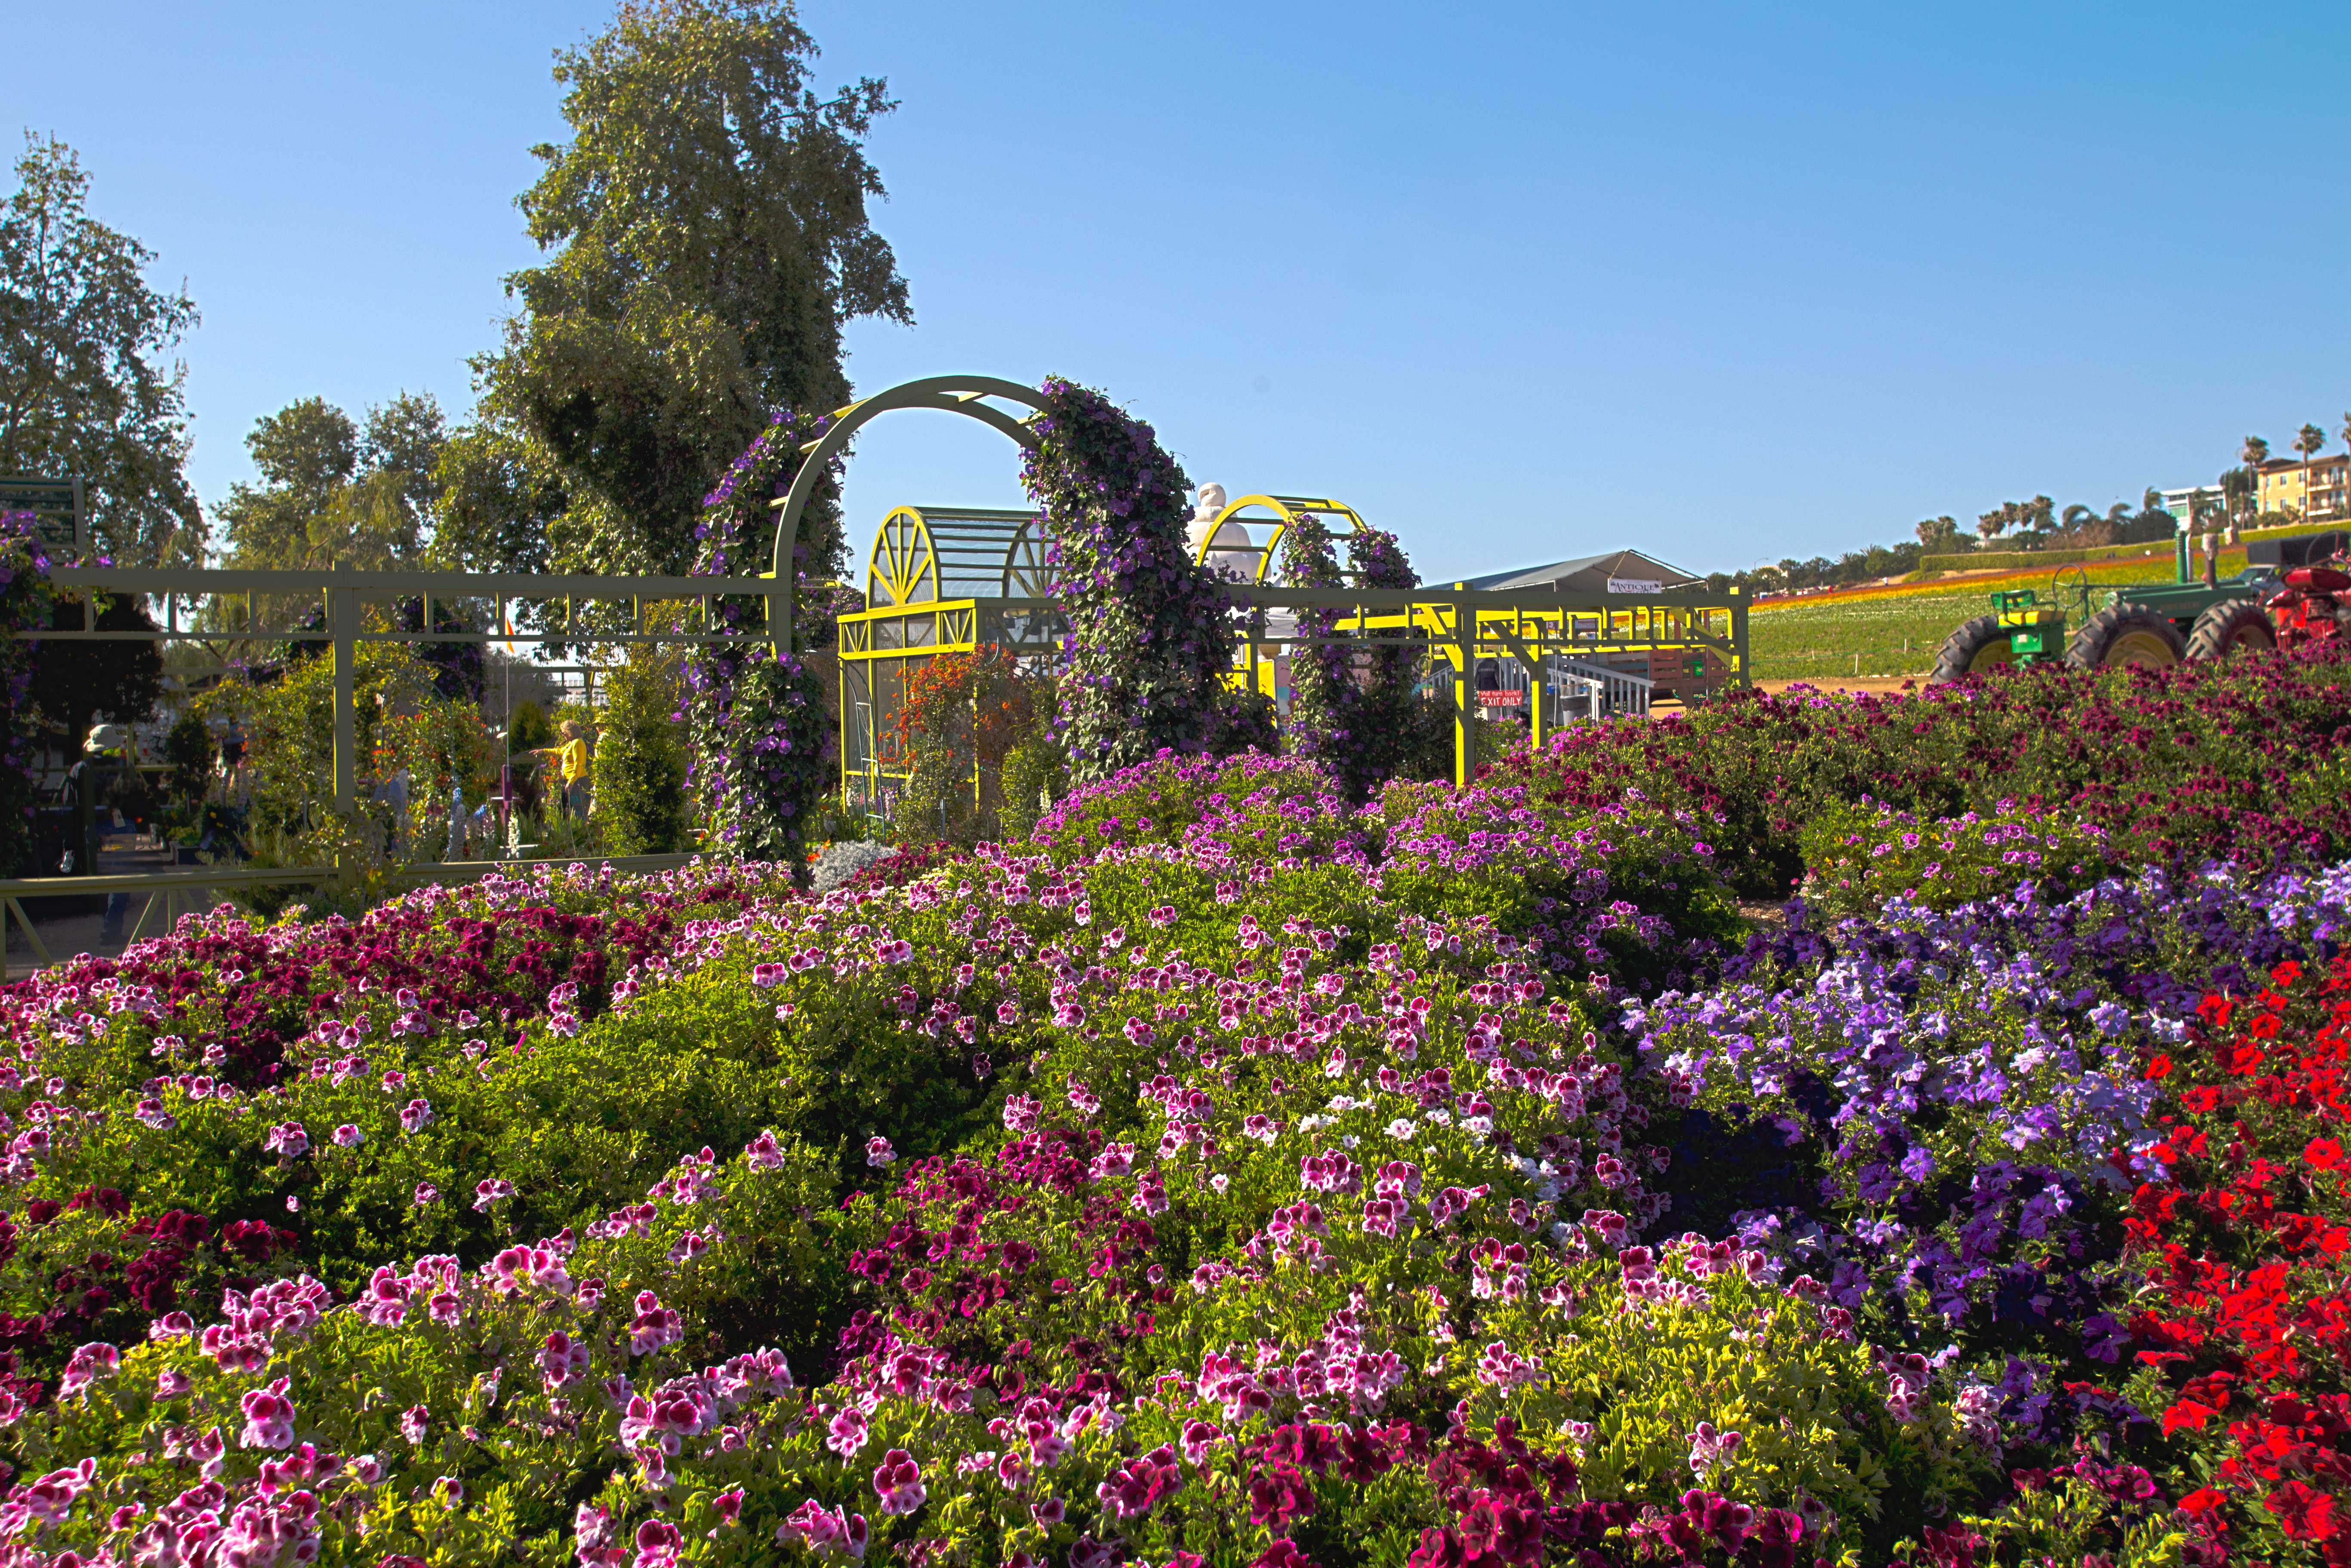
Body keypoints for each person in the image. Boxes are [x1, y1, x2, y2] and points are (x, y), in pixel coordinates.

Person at [534, 720, 593, 819]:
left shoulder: (578, 743)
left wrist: (571, 782)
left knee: (577, 809)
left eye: (563, 732)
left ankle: (580, 831)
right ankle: (566, 830)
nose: (563, 735)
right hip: (570, 781)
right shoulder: (572, 743)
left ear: (569, 731)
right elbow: (560, 751)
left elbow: (579, 764)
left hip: (576, 782)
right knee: (564, 808)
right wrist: (543, 751)